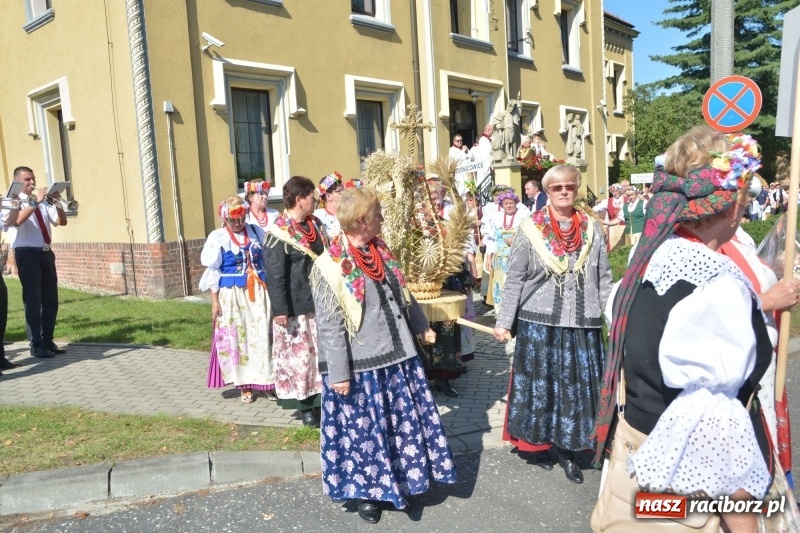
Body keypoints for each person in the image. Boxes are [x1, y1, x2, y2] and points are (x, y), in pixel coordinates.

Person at [593, 128, 774, 532]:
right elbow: (720, 445)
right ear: (732, 206)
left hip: (638, 468)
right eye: (744, 203)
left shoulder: (642, 268)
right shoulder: (718, 289)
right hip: (687, 488)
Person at [310, 185, 456, 524]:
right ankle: (368, 494)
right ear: (362, 220)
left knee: (400, 425)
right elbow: (329, 326)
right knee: (366, 433)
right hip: (362, 366)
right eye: (378, 214)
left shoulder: (379, 250)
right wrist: (339, 374)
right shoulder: (328, 266)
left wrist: (421, 325)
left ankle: (402, 481)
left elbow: (403, 293)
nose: (382, 219)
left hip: (398, 357)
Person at [493, 164, 611, 484]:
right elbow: (515, 277)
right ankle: (539, 445)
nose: (563, 192)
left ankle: (570, 449)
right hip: (538, 321)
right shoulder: (531, 227)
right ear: (547, 191)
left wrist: (612, 318)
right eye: (557, 187)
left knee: (575, 389)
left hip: (582, 322)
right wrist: (504, 321)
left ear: (576, 189)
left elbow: (603, 276)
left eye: (569, 186)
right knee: (541, 388)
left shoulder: (591, 228)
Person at [265, 176, 329, 427]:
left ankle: (322, 401)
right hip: (295, 307)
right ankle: (305, 407)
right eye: (312, 197)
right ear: (300, 199)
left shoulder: (316, 224)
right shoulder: (279, 232)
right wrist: (280, 310)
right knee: (300, 359)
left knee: (319, 355)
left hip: (319, 301)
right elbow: (275, 274)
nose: (315, 200)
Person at [199, 196, 274, 404]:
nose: (238, 223)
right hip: (232, 294)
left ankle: (266, 382)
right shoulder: (218, 237)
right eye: (233, 220)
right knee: (239, 338)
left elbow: (265, 261)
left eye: (241, 218)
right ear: (225, 218)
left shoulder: (256, 232)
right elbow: (213, 271)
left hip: (258, 290)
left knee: (262, 335)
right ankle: (245, 385)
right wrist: (215, 302)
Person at [3, 166, 67, 358]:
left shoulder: (43, 201)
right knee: (33, 300)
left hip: (46, 253)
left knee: (50, 300)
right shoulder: (11, 202)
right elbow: (16, 222)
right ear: (17, 181)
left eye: (33, 179)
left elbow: (61, 222)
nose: (32, 183)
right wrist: (36, 202)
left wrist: (57, 203)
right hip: (27, 254)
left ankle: (48, 340)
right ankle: (35, 343)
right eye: (27, 180)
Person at [487, 190, 527, 316]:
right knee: (500, 283)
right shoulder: (496, 218)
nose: (509, 205)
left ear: (515, 203)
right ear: (502, 205)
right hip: (500, 258)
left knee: (514, 282)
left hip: (517, 257)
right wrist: (489, 258)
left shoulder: (523, 216)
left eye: (511, 203)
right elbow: (491, 240)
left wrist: (516, 238)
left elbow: (530, 235)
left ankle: (516, 311)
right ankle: (501, 312)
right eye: (506, 203)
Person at [314, 172, 344, 239]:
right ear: (328, 196)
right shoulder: (317, 217)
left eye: (344, 190)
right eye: (339, 192)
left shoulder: (349, 215)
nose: (344, 194)